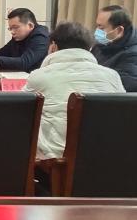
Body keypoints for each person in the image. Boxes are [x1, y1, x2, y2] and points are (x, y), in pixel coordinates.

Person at [23, 22, 125, 160]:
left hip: (56, 155)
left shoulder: (39, 76)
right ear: (89, 48)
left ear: (53, 46)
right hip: (105, 152)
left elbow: (21, 109)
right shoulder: (112, 76)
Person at [92, 5, 137, 92]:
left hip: (119, 99)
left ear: (119, 31)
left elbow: (116, 87)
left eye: (101, 27)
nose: (97, 31)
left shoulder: (136, 56)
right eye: (97, 26)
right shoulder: (102, 45)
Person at [0, 8, 49, 72]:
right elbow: (3, 52)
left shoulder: (41, 37)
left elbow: (24, 62)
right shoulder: (19, 36)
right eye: (10, 28)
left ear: (30, 25)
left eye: (15, 27)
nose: (12, 32)